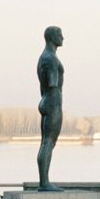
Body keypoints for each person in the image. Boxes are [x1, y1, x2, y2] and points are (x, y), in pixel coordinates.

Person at [35, 26, 64, 190]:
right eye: (60, 34)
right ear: (52, 37)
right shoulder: (50, 59)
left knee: (46, 142)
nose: (63, 37)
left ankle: (44, 181)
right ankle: (44, 183)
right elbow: (52, 84)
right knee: (48, 142)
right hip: (53, 101)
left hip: (47, 100)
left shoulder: (44, 57)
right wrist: (55, 102)